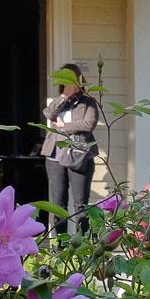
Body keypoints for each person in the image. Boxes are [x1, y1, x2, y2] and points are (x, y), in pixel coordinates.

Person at [39, 63, 101, 234]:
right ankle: (60, 247)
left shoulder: (88, 102)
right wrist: (64, 96)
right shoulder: (59, 100)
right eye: (64, 80)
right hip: (54, 156)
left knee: (80, 204)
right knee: (58, 203)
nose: (68, 83)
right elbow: (48, 114)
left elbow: (89, 124)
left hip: (79, 155)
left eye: (71, 80)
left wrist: (64, 126)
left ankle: (83, 245)